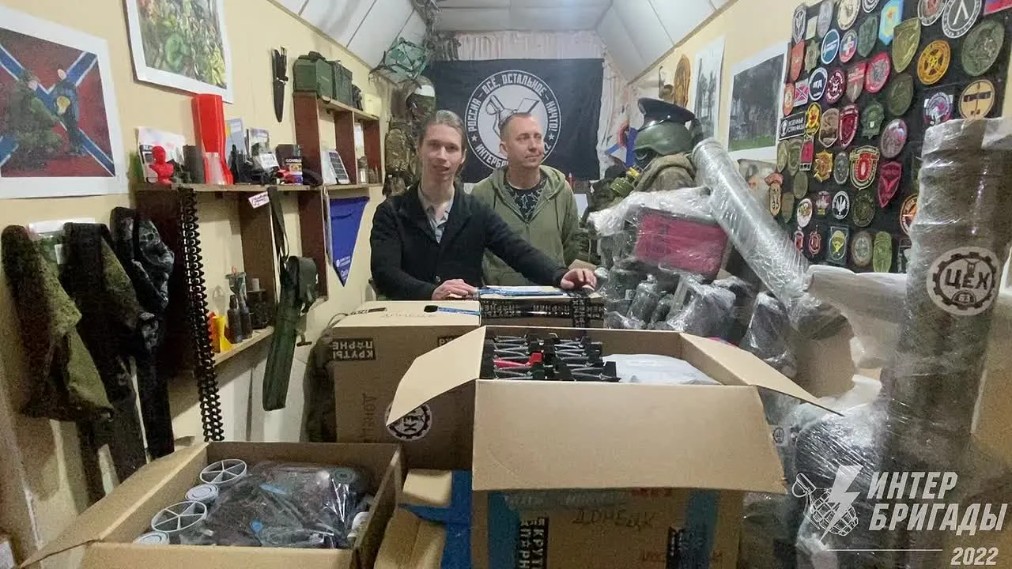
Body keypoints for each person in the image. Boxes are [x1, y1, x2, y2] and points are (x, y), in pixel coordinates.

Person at [370, 110, 595, 301]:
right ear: (419, 148)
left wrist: (559, 275)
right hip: (410, 322)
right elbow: (384, 273)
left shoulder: (476, 211)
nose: (442, 156)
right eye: (434, 145)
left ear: (462, 156)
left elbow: (517, 251)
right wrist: (431, 292)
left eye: (451, 148)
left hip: (465, 324)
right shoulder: (390, 213)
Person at [471, 113, 585, 286]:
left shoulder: (561, 190)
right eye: (523, 138)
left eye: (537, 137)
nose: (533, 146)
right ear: (504, 148)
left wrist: (553, 272)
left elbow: (571, 244)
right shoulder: (483, 194)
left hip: (551, 294)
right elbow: (474, 250)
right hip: (499, 298)